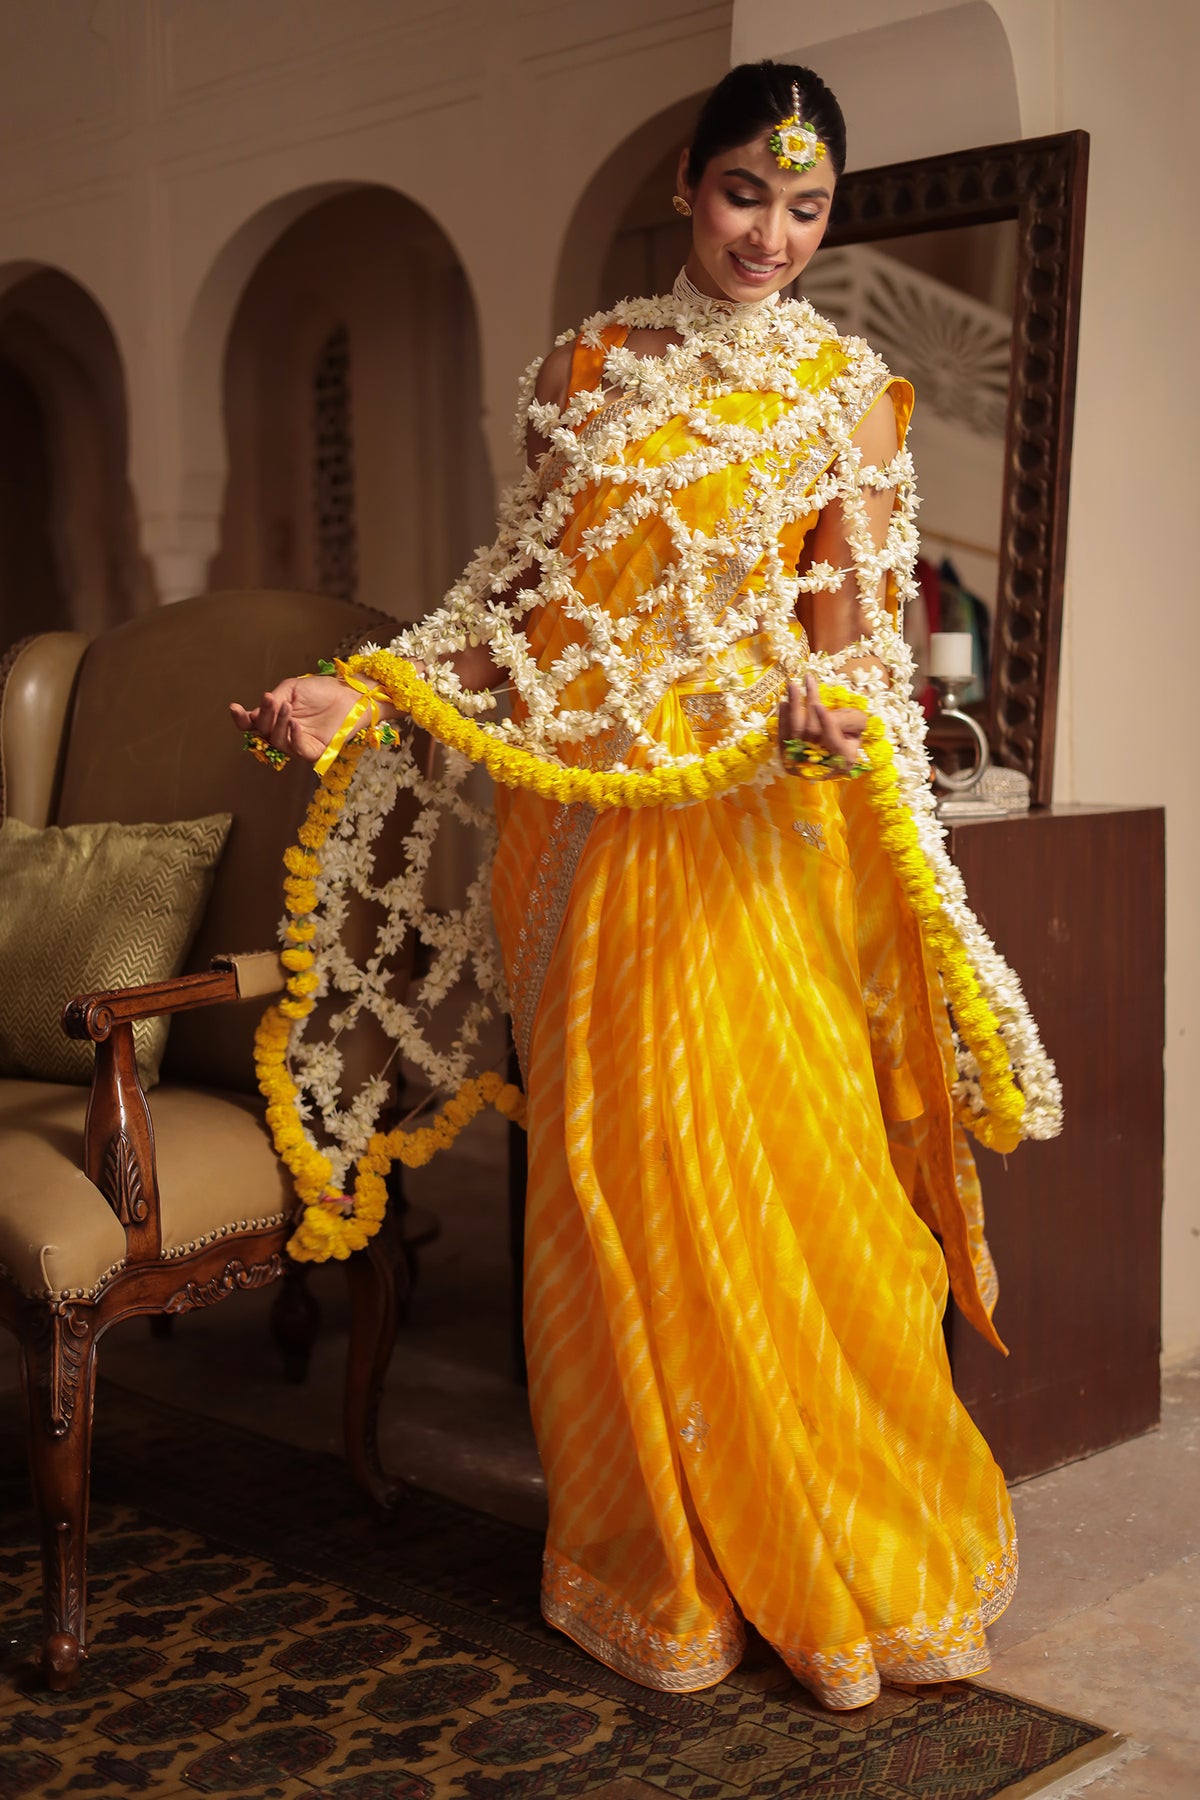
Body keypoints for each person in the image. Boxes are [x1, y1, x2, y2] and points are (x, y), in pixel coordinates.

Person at [232, 61, 1061, 1710]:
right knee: (614, 1180)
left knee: (792, 1174)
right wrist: (363, 692)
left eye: (806, 208)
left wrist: (831, 715)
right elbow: (521, 612)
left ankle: (830, 1536)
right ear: (689, 182)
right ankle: (656, 1557)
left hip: (747, 840)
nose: (771, 235)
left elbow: (855, 649)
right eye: (747, 193)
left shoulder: (850, 395)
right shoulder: (586, 368)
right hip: (588, 838)